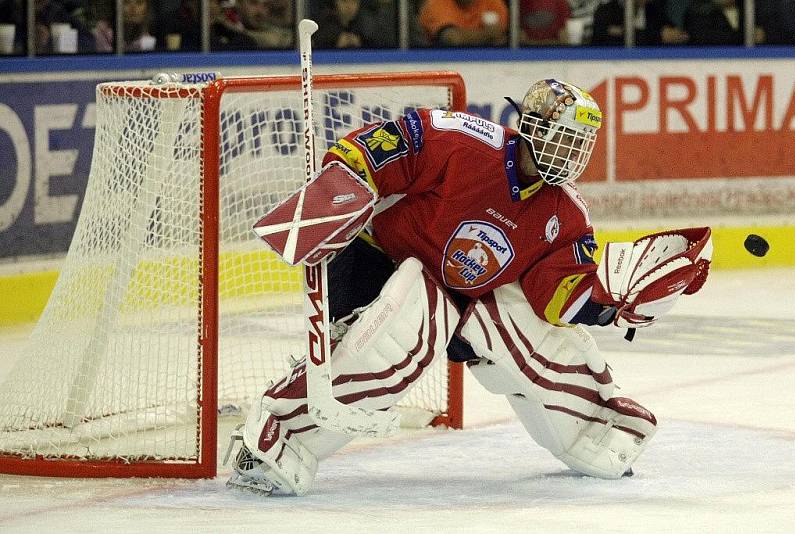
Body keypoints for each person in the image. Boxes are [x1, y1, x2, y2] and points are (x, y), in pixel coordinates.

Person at [224, 79, 713, 496]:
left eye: (581, 146)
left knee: (532, 337)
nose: (573, 156)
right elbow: (386, 147)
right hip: (377, 262)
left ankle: (596, 430)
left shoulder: (566, 214)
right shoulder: (463, 140)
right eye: (566, 140)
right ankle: (268, 444)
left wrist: (610, 305)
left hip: (457, 295)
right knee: (399, 338)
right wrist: (343, 182)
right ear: (534, 128)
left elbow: (553, 294)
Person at [591, 0, 688, 46]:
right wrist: (657, 36)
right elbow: (604, 37)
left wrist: (677, 35)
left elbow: (672, 32)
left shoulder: (652, 11)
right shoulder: (606, 12)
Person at [418, 0, 509, 47]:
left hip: (490, 62)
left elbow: (508, 37)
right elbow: (452, 39)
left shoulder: (493, 2)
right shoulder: (436, 4)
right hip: (443, 63)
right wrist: (488, 34)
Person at [313, 0, 393, 49]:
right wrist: (334, 42)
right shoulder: (323, 22)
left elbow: (387, 43)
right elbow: (313, 44)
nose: (349, 6)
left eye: (354, 1)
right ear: (336, 2)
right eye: (344, 1)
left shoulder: (368, 22)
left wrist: (361, 42)